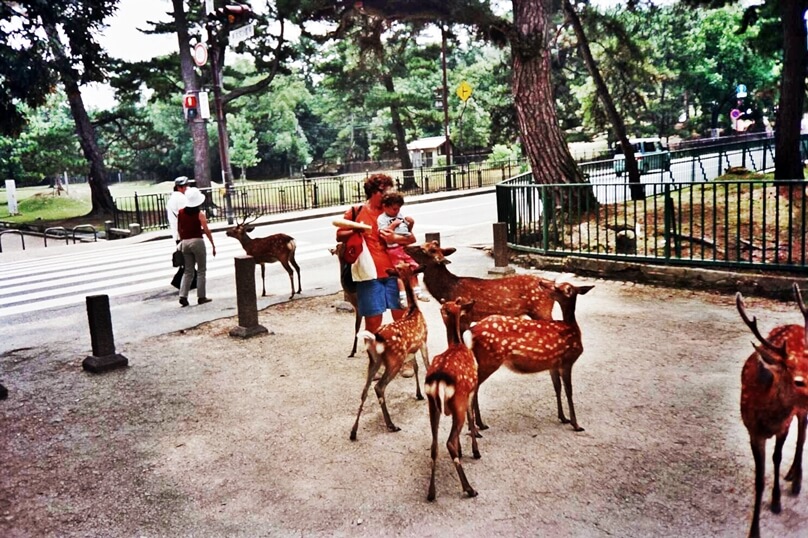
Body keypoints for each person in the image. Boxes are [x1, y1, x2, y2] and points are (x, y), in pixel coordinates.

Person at [336, 173, 417, 338]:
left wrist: (395, 237)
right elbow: (339, 235)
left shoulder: (391, 212)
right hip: (369, 274)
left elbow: (410, 238)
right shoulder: (356, 212)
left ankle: (404, 358)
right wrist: (356, 229)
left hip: (395, 272)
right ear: (372, 192)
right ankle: (374, 358)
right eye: (383, 192)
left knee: (401, 317)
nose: (387, 195)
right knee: (373, 321)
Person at [378, 191, 429, 306]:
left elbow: (407, 232)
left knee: (413, 268)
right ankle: (403, 296)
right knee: (401, 272)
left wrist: (410, 224)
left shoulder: (398, 215)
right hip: (393, 249)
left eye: (398, 209)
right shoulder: (382, 219)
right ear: (385, 207)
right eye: (394, 209)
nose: (397, 212)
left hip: (403, 246)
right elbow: (384, 233)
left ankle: (417, 291)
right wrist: (394, 224)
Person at [177, 187, 216, 307]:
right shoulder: (200, 214)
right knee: (201, 270)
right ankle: (201, 296)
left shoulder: (181, 212)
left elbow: (179, 229)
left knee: (188, 271)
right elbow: (206, 230)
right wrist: (213, 244)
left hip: (185, 243)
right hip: (197, 242)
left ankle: (183, 295)